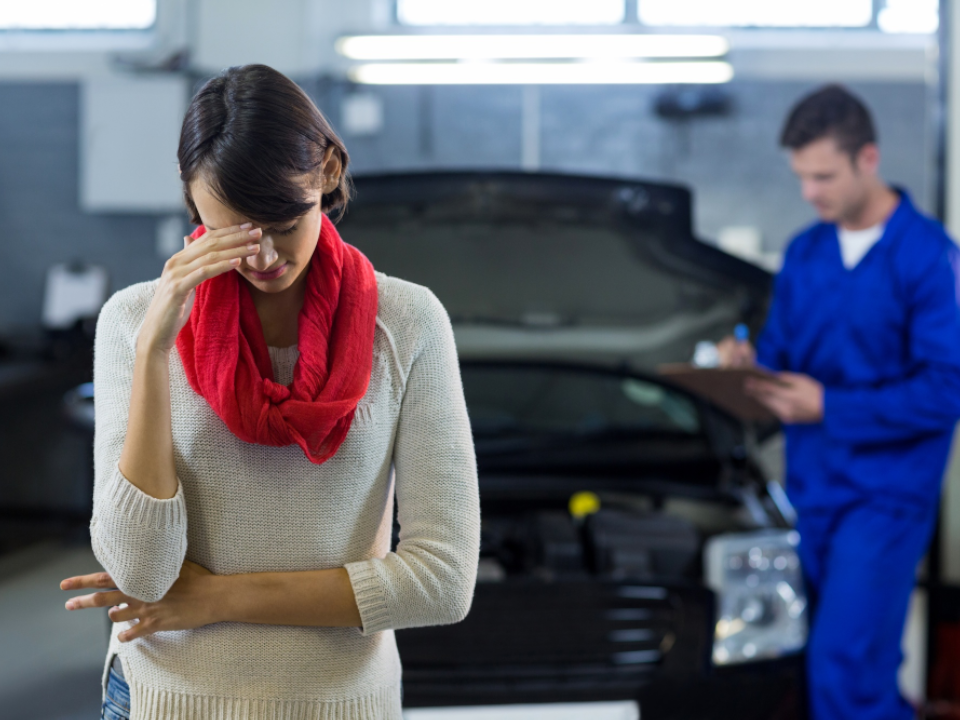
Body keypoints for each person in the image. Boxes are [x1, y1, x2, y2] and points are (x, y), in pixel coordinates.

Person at [58, 64, 480, 720]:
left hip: (340, 706)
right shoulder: (134, 321)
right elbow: (142, 575)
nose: (262, 257)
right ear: (194, 203)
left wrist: (218, 599)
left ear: (329, 174)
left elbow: (442, 583)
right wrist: (153, 351)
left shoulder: (407, 323)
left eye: (283, 221)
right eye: (234, 230)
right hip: (162, 700)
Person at [718, 84, 960, 719]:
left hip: (886, 497)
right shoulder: (805, 251)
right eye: (800, 176)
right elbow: (783, 360)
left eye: (823, 176)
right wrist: (748, 368)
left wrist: (830, 408)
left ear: (868, 159)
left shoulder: (930, 258)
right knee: (844, 664)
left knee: (843, 668)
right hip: (814, 488)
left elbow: (946, 390)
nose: (809, 193)